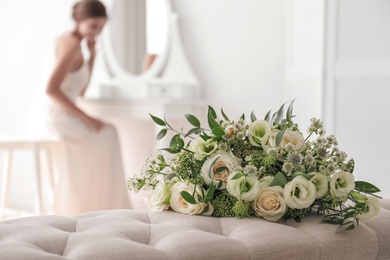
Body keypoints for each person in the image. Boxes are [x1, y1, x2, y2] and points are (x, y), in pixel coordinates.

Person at [27, 0, 130, 215]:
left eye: (101, 27)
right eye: (93, 26)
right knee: (108, 133)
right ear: (79, 20)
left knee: (109, 132)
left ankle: (100, 204)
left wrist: (92, 57)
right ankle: (99, 207)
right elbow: (51, 89)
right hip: (53, 115)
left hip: (60, 112)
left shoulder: (76, 44)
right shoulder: (71, 44)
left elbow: (80, 91)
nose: (97, 32)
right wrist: (87, 118)